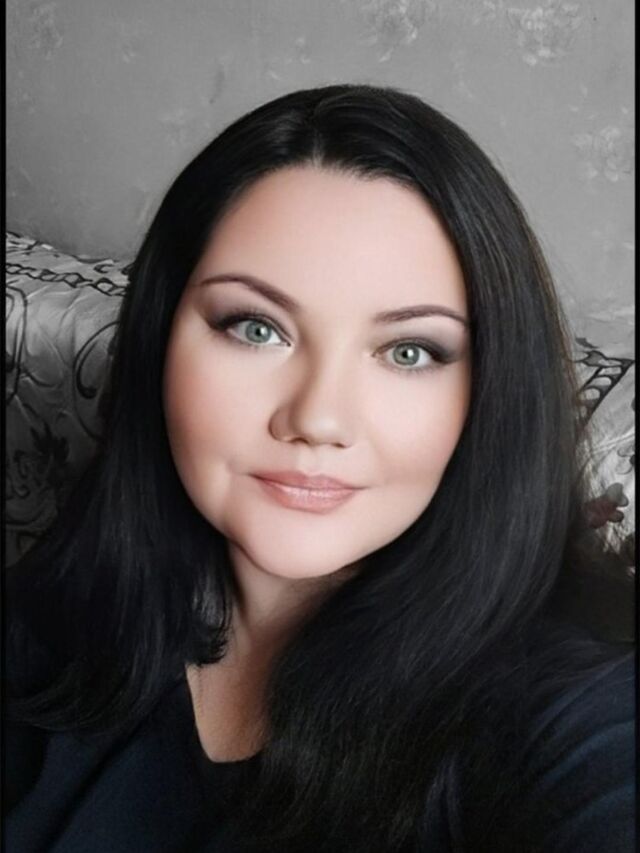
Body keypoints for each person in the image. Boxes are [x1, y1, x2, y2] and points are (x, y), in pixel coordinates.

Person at [4, 84, 634, 853]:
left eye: (409, 351)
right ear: (161, 339)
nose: (318, 418)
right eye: (256, 327)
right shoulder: (58, 613)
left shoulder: (572, 716)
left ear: (490, 392)